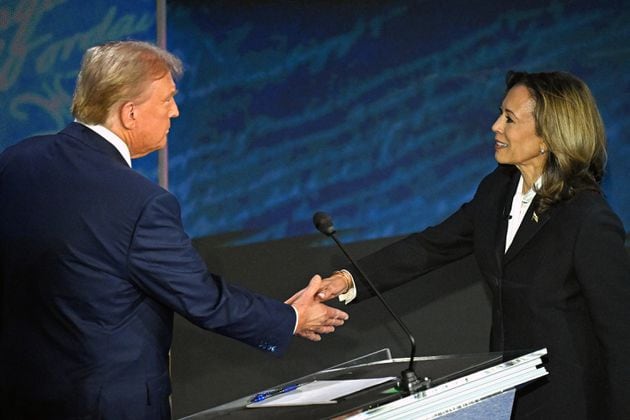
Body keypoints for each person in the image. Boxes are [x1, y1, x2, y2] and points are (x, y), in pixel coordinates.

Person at [0, 40, 348, 419]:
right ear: (129, 113)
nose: (176, 112)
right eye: (166, 100)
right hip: (108, 406)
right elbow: (202, 299)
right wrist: (292, 318)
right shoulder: (139, 201)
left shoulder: (18, 160)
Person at [315, 71, 630, 419]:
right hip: (510, 396)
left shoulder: (587, 218)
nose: (496, 126)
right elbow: (432, 246)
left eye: (509, 119)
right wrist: (348, 280)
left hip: (571, 403)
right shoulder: (498, 189)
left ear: (548, 136)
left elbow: (620, 338)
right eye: (500, 113)